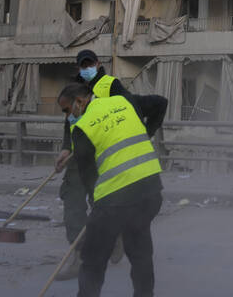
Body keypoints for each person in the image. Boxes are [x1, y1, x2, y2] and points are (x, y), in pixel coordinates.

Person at [57, 82, 168, 297]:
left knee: (93, 259)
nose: (67, 116)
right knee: (140, 252)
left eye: (66, 110)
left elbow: (88, 176)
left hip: (115, 201)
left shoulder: (82, 127)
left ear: (79, 101)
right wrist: (147, 132)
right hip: (151, 191)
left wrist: (96, 210)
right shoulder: (124, 101)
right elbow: (159, 103)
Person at [54, 51, 131, 279]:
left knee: (102, 204)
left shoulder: (111, 86)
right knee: (72, 200)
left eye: (89, 64)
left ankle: (116, 236)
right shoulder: (73, 88)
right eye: (82, 65)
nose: (86, 68)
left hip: (103, 155)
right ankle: (80, 257)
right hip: (79, 157)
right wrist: (66, 148)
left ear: (97, 64)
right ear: (78, 68)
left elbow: (128, 113)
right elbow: (69, 123)